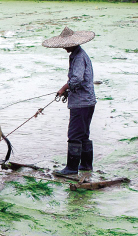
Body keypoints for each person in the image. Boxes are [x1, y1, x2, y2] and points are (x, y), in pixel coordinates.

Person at [43, 27, 97, 175]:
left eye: (66, 45)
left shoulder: (79, 57)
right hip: (88, 101)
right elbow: (79, 80)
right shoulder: (77, 54)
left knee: (74, 135)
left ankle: (72, 168)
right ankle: (86, 165)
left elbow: (77, 79)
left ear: (73, 43)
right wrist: (68, 91)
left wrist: (63, 88)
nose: (64, 47)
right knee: (83, 134)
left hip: (81, 103)